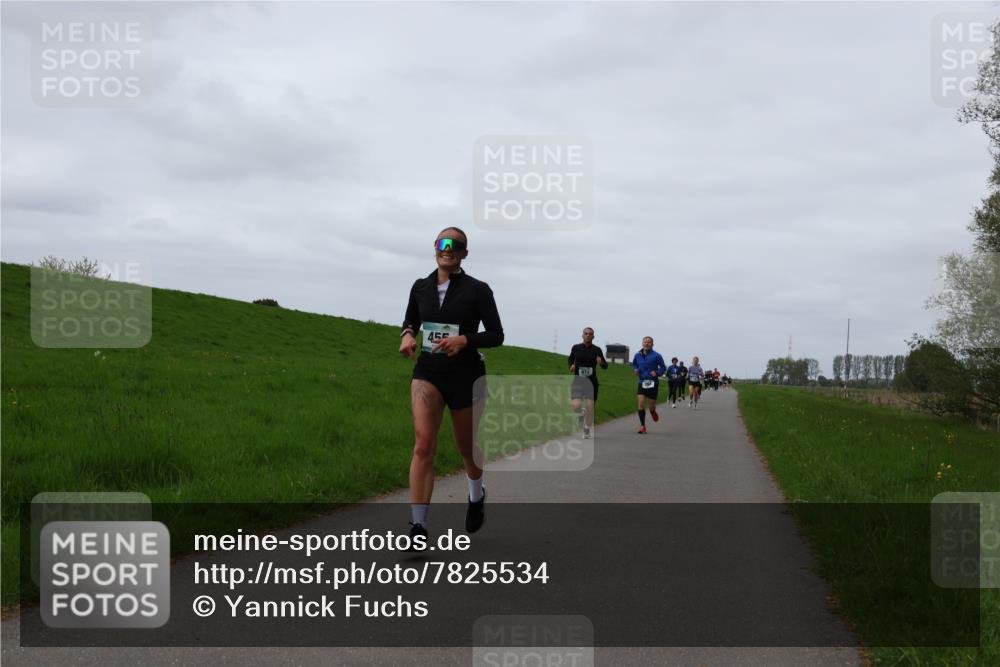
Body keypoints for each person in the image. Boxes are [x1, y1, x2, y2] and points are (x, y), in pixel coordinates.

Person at [399, 227, 503, 547]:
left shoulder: (478, 290)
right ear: (435, 248)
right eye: (444, 244)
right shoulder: (420, 287)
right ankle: (418, 526)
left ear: (464, 254)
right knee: (423, 445)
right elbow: (410, 321)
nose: (449, 249)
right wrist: (406, 335)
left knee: (467, 448)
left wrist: (465, 340)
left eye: (456, 246)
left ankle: (475, 495)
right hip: (428, 373)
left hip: (466, 377)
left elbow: (497, 335)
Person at [568, 327, 608, 439]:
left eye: (590, 334)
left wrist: (601, 363)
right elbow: (570, 358)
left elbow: (605, 366)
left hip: (591, 382)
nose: (588, 335)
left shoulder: (597, 350)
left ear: (593, 336)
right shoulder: (576, 348)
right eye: (586, 333)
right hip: (578, 381)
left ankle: (586, 429)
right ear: (582, 335)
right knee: (576, 406)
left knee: (590, 408)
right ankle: (580, 414)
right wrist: (571, 365)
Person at [631, 337, 666, 433]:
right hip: (642, 382)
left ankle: (653, 412)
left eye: (649, 342)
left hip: (653, 383)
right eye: (645, 342)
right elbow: (634, 364)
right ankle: (642, 426)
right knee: (641, 403)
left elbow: (663, 367)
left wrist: (657, 373)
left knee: (651, 407)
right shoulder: (637, 355)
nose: (646, 344)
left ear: (652, 344)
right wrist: (635, 370)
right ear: (642, 343)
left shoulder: (657, 355)